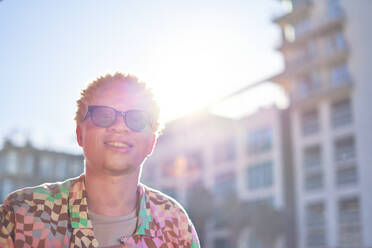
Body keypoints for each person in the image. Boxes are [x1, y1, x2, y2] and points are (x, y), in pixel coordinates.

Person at [0, 73, 200, 248]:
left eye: (137, 119)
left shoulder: (175, 223)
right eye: (104, 115)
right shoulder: (21, 214)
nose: (120, 127)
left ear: (151, 143)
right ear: (80, 134)